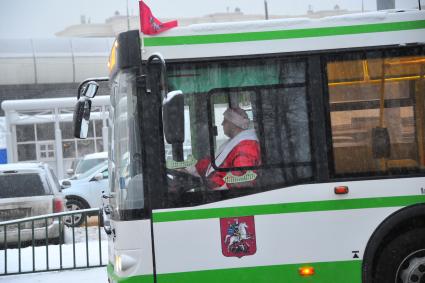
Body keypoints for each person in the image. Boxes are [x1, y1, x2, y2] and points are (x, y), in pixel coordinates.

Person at [186, 107, 261, 190]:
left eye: (225, 121)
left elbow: (242, 180)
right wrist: (191, 168)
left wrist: (218, 188)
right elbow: (214, 165)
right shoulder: (235, 142)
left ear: (233, 124)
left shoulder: (246, 147)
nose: (222, 124)